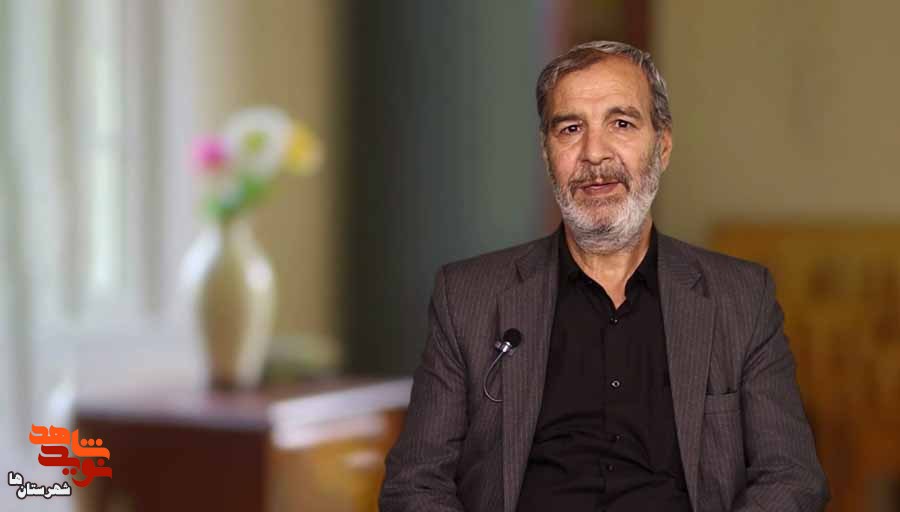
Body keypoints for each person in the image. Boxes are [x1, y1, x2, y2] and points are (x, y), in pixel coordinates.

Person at [379, 40, 829, 512]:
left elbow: (791, 476)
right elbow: (415, 485)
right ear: (547, 154)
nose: (594, 154)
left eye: (621, 123)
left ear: (662, 147)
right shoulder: (467, 298)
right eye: (571, 129)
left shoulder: (742, 299)